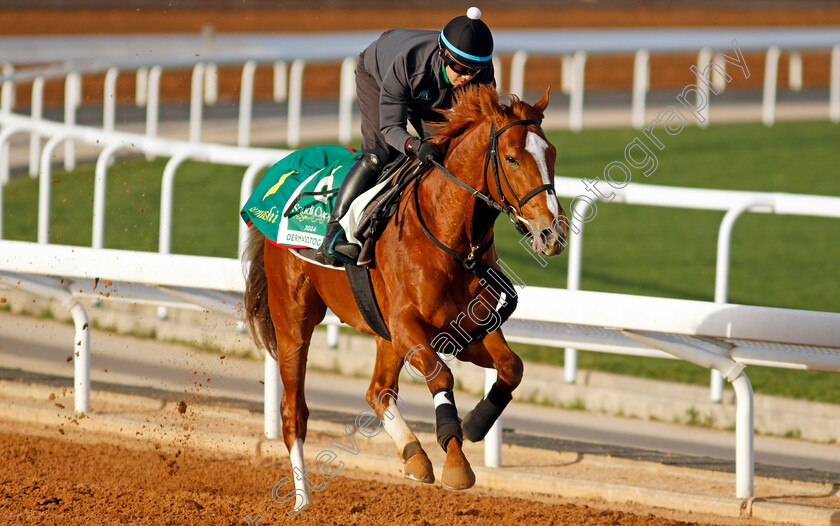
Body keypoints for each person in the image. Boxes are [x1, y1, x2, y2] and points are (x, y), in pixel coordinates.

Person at [315, 7, 496, 265]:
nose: (467, 77)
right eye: (460, 68)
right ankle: (333, 234)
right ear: (445, 55)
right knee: (380, 154)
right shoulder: (410, 65)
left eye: (474, 71)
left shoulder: (480, 73)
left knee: (449, 151)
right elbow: (391, 128)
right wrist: (413, 145)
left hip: (427, 87)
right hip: (379, 74)